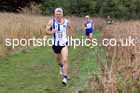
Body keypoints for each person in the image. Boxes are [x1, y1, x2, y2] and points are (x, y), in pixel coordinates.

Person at [46, 8, 73, 85]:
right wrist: (51, 32)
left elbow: (71, 28)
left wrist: (70, 38)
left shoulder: (67, 22)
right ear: (54, 14)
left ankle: (65, 77)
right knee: (58, 60)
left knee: (65, 60)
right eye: (57, 14)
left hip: (64, 44)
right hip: (55, 45)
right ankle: (61, 67)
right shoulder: (51, 22)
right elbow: (46, 31)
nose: (58, 15)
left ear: (62, 14)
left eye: (59, 14)